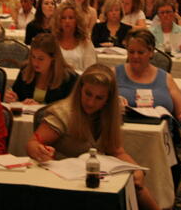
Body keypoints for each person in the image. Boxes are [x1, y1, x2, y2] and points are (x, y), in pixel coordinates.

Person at [27, 64, 160, 210]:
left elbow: (117, 151)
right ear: (80, 90)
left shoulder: (109, 115)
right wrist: (39, 151)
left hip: (95, 180)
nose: (90, 103)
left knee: (136, 185)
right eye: (88, 94)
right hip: (64, 183)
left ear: (108, 100)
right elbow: (33, 143)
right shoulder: (62, 113)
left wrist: (137, 170)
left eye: (99, 98)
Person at [115, 30, 181, 191]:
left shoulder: (165, 77)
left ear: (151, 52)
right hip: (123, 140)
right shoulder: (115, 74)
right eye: (131, 52)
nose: (135, 56)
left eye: (141, 52)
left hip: (160, 141)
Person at [5, 33, 78, 104]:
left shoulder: (68, 78)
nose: (35, 63)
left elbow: (68, 108)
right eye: (33, 57)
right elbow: (17, 95)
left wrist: (39, 107)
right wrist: (14, 98)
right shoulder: (25, 70)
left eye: (41, 59)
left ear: (53, 58)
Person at [52, 1, 97, 71]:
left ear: (77, 20)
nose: (67, 21)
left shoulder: (86, 43)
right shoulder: (53, 42)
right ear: (58, 21)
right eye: (63, 18)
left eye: (71, 18)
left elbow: (91, 70)